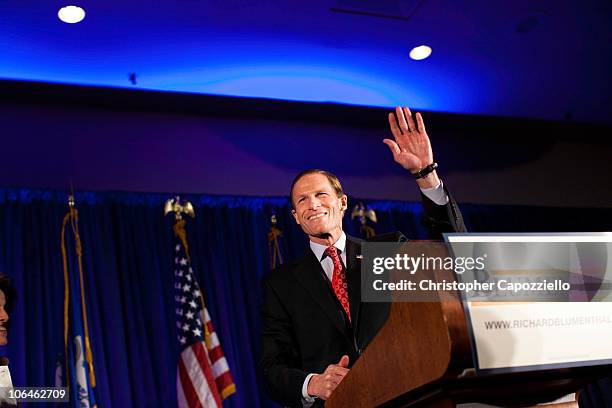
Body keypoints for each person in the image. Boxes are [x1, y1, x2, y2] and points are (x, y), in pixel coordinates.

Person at [260, 106, 466, 407]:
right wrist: (313, 383)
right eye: (302, 200)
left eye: (321, 194)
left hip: (409, 397)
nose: (312, 204)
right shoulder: (280, 284)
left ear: (342, 203)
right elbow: (271, 367)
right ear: (295, 217)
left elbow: (453, 251)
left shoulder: (387, 253)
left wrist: (426, 174)